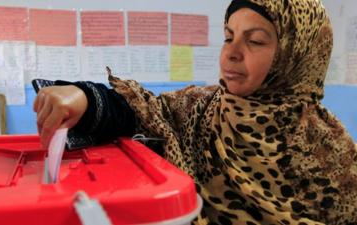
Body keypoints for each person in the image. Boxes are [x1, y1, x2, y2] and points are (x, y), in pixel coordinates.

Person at [33, 0, 357, 224]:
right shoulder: (199, 108)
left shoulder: (334, 157)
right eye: (228, 36)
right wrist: (84, 97)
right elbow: (142, 110)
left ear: (296, 54)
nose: (230, 53)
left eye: (255, 41)